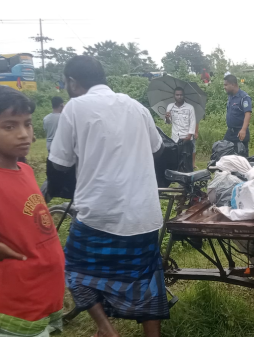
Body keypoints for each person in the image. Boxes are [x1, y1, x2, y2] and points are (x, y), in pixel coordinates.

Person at [49, 55, 168, 337]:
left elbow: (58, 163)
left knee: (75, 270)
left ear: (73, 82)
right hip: (145, 216)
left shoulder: (75, 107)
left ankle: (107, 330)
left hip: (100, 216)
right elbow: (158, 149)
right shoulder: (136, 107)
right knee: (146, 280)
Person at [0, 86, 65, 337]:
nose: (23, 134)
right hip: (16, 305)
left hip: (46, 294)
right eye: (9, 126)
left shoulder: (25, 171)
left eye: (27, 124)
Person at [166, 87, 198, 169]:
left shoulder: (190, 107)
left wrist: (189, 136)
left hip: (186, 137)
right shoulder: (170, 107)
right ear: (174, 96)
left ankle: (188, 178)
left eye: (181, 95)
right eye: (177, 95)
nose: (179, 96)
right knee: (176, 160)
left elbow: (193, 122)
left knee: (187, 161)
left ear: (184, 96)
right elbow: (169, 122)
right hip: (175, 138)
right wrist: (167, 117)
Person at [224, 74, 252, 157]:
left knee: (241, 157)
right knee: (224, 152)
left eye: (226, 85)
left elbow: (248, 114)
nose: (224, 87)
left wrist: (243, 130)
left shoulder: (244, 97)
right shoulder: (230, 97)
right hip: (230, 132)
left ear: (233, 84)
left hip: (240, 132)